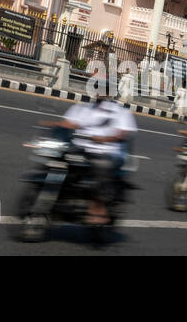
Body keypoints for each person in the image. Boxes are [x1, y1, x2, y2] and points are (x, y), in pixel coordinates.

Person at [55, 65, 137, 225]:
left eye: (105, 88)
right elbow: (67, 124)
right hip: (82, 151)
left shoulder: (120, 112)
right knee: (58, 160)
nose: (101, 92)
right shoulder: (83, 108)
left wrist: (104, 139)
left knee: (101, 167)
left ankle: (98, 207)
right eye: (98, 87)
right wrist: (51, 126)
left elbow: (123, 132)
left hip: (107, 153)